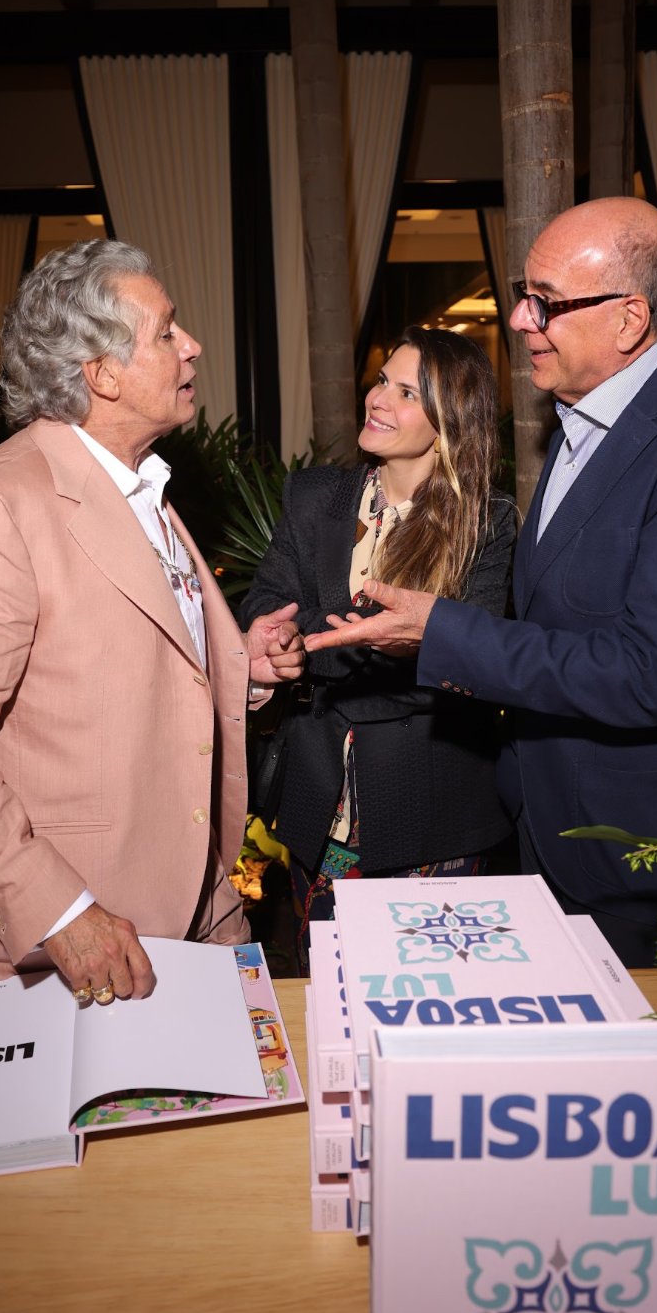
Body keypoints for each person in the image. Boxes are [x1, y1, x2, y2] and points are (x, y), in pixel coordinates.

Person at [307, 198, 657, 967]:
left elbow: (645, 672)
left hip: (643, 856)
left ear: (628, 319)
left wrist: (441, 630)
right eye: (522, 294)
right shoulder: (578, 425)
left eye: (545, 301)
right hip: (546, 829)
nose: (517, 318)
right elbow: (560, 621)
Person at [0, 239, 305, 1001]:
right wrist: (60, 910)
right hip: (85, 945)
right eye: (167, 331)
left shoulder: (138, 484)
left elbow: (122, 670)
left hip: (200, 911)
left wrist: (239, 666)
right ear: (102, 374)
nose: (191, 345)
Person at [240, 327, 515, 968]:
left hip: (434, 811)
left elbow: (469, 658)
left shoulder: (486, 521)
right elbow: (267, 598)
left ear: (450, 422)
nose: (378, 398)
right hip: (318, 804)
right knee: (327, 979)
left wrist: (311, 654)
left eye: (407, 392)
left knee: (429, 989)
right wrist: (276, 638)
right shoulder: (315, 496)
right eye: (383, 380)